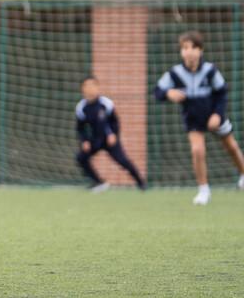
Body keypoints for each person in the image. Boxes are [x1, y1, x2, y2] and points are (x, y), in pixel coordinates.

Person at [154, 30, 244, 205]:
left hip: (213, 116)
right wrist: (168, 93)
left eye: (193, 47)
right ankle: (204, 190)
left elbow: (222, 93)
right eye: (185, 48)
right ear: (181, 51)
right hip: (193, 119)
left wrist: (217, 114)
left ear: (201, 50)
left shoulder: (210, 71)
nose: (189, 51)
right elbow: (157, 91)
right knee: (197, 150)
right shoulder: (175, 73)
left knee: (231, 147)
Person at [73, 76, 145, 192]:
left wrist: (114, 135)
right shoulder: (81, 107)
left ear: (98, 88)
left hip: (108, 139)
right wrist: (85, 141)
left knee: (123, 161)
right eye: (87, 86)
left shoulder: (106, 103)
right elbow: (80, 128)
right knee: (81, 158)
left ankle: (141, 183)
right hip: (94, 140)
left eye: (93, 85)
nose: (90, 89)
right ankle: (99, 182)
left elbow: (115, 122)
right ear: (83, 89)